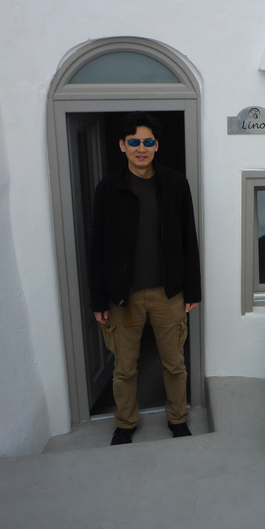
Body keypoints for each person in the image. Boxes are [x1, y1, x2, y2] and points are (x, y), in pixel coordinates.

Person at [88, 112, 201, 445]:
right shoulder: (108, 188)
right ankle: (125, 423)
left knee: (175, 364)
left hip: (169, 293)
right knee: (124, 367)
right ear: (122, 146)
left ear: (157, 145)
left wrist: (192, 289)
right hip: (124, 296)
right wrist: (98, 299)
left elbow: (188, 238)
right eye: (134, 142)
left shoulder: (175, 184)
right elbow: (97, 246)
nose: (141, 148)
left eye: (148, 141)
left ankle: (178, 419)